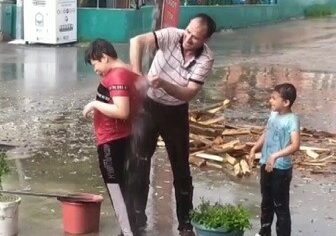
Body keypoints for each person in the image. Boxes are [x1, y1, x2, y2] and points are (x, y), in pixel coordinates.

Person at [129, 13, 216, 236]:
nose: (188, 39)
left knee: (181, 168)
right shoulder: (170, 35)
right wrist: (138, 74)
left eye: (195, 38)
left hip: (176, 111)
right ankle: (137, 218)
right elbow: (135, 41)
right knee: (139, 162)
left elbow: (188, 93)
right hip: (148, 107)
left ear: (205, 40)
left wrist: (164, 84)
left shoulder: (206, 59)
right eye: (188, 31)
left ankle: (185, 224)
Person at [83, 38, 141, 236]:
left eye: (95, 64)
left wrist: (94, 104)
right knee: (125, 189)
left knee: (117, 192)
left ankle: (128, 232)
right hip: (123, 139)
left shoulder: (116, 76)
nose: (95, 70)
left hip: (112, 142)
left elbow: (122, 110)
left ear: (104, 57)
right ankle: (130, 229)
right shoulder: (128, 72)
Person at [248, 83, 300, 236]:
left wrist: (275, 155)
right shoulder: (273, 115)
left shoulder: (292, 119)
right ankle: (264, 231)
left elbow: (296, 145)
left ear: (286, 103)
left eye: (274, 98)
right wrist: (254, 148)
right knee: (266, 202)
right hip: (266, 164)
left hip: (281, 169)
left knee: (280, 206)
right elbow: (267, 132)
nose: (270, 101)